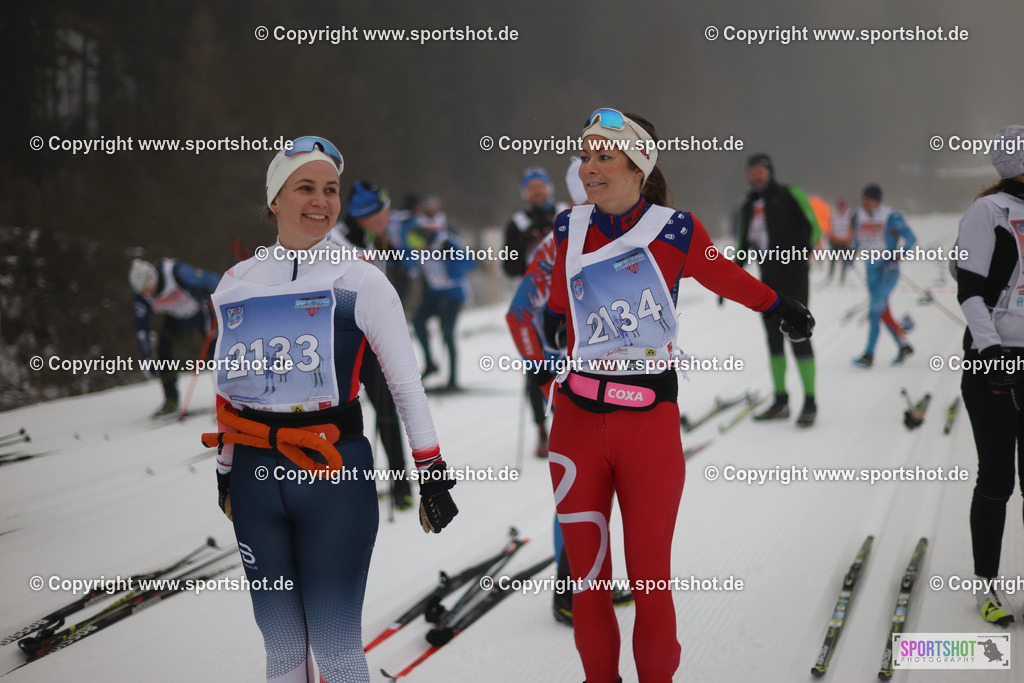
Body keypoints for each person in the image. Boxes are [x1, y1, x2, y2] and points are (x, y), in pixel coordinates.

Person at [543, 109, 814, 683]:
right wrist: (549, 338)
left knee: (649, 579)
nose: (587, 168)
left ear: (639, 164)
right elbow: (558, 312)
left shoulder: (676, 230)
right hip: (576, 423)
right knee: (588, 580)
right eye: (584, 155)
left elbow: (728, 278)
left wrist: (781, 306)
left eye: (602, 157)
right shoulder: (568, 226)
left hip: (648, 422)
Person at [201, 137, 458, 683]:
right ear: (274, 199)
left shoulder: (360, 279)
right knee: (282, 646)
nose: (320, 201)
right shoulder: (235, 284)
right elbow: (230, 393)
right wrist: (224, 473)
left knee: (337, 646)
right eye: (305, 188)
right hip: (253, 475)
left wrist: (432, 473)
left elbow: (406, 386)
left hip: (335, 474)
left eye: (331, 190)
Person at [955, 124, 1024, 625]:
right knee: (997, 478)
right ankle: (987, 585)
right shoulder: (987, 212)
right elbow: (970, 290)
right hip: (994, 361)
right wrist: (992, 350)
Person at [330, 181, 413, 510]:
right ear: (367, 215)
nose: (389, 215)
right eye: (384, 211)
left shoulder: (377, 240)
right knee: (343, 416)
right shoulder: (333, 241)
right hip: (340, 342)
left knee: (387, 412)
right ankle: (337, 487)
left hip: (371, 340)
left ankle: (401, 486)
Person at [737, 153, 821, 427]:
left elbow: (814, 226)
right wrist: (732, 275)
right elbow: (743, 244)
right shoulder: (748, 204)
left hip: (794, 274)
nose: (756, 176)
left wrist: (807, 250)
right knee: (773, 338)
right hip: (767, 278)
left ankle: (810, 402)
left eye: (760, 171)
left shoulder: (788, 193)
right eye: (752, 172)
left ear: (770, 172)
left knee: (798, 334)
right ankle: (781, 400)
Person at [129, 257, 220, 417]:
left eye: (149, 288)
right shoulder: (142, 296)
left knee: (216, 351)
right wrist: (146, 358)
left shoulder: (175, 272)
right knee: (163, 353)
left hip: (200, 312)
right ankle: (170, 400)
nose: (148, 294)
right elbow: (142, 329)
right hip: (176, 319)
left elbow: (209, 278)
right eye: (143, 292)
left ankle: (226, 397)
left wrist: (226, 296)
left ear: (153, 278)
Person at [405, 196, 476, 390]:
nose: (421, 251)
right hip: (435, 293)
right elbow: (410, 260)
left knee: (447, 333)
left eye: (422, 248)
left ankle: (453, 378)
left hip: (453, 294)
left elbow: (470, 264)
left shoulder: (447, 242)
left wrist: (452, 256)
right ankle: (431, 363)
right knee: (418, 322)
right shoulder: (418, 239)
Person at [850, 183, 916, 367]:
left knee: (874, 312)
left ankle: (869, 355)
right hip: (871, 272)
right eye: (862, 199)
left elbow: (911, 238)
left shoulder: (891, 217)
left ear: (876, 200)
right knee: (882, 311)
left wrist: (897, 256)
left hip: (888, 272)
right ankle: (903, 345)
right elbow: (856, 239)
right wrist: (850, 253)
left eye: (867, 199)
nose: (864, 203)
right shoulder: (859, 216)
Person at [503, 166, 570, 277]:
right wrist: (522, 243)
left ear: (549, 188)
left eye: (541, 186)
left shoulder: (564, 212)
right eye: (531, 188)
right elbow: (510, 269)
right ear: (524, 192)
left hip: (565, 280)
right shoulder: (517, 224)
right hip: (536, 286)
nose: (537, 191)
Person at [827, 198, 854, 284]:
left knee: (844, 260)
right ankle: (830, 275)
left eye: (842, 206)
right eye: (840, 206)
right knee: (833, 260)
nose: (841, 208)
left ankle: (843, 277)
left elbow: (852, 229)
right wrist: (831, 237)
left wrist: (849, 238)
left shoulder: (849, 216)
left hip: (845, 242)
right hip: (835, 241)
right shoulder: (833, 215)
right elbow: (829, 227)